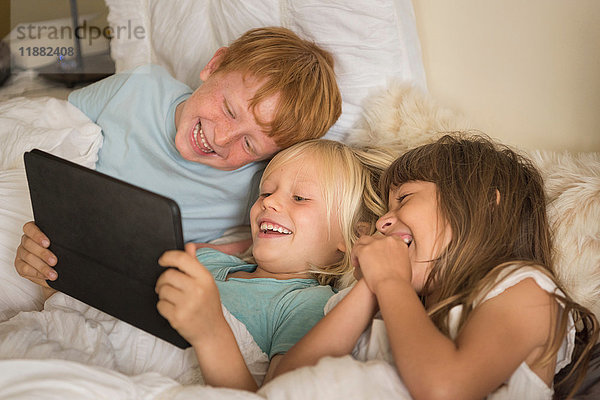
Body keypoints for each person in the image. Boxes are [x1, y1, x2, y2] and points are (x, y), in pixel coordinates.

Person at [0, 139, 394, 390]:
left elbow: (273, 392)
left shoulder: (303, 304)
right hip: (71, 338)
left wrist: (210, 331)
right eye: (267, 191)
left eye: (300, 199)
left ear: (351, 240)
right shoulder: (207, 259)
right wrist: (52, 272)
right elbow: (112, 308)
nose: (269, 203)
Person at [13, 27, 342, 291]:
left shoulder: (260, 183)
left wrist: (214, 253)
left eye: (250, 145)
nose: (221, 138)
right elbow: (54, 131)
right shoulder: (140, 87)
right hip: (56, 236)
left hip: (122, 275)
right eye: (228, 110)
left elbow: (288, 237)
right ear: (214, 65)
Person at [272, 135, 599, 399]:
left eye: (404, 199)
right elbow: (286, 384)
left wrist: (388, 279)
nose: (384, 221)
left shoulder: (525, 290)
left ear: (485, 204)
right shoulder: (388, 304)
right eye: (387, 207)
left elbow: (445, 390)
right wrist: (369, 285)